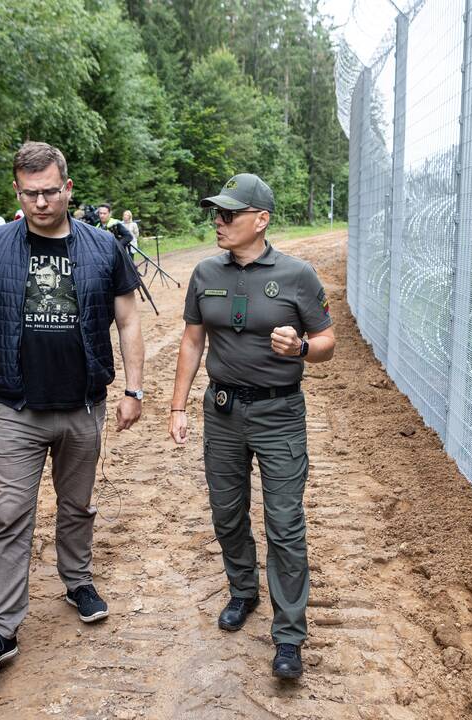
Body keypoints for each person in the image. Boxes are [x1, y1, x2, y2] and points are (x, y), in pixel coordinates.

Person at [0, 141, 144, 673]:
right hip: (16, 405)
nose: (40, 202)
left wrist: (134, 390)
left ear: (68, 188)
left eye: (50, 191)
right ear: (17, 191)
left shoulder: (105, 247)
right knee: (11, 514)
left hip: (84, 405)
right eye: (29, 193)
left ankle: (78, 582)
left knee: (77, 504)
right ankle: (1, 627)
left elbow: (128, 321)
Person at [168, 173, 336, 680]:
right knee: (227, 513)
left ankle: (288, 636)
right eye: (215, 214)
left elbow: (327, 343)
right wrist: (177, 406)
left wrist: (301, 348)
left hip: (279, 413)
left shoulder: (298, 275)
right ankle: (243, 591)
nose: (217, 222)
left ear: (260, 220)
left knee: (284, 525)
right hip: (221, 414)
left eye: (229, 214)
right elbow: (193, 343)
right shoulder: (204, 272)